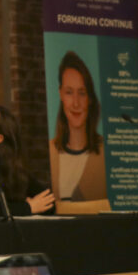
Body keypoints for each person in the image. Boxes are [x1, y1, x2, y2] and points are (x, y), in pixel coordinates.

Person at [49, 51, 107, 203]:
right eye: (69, 92)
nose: (75, 103)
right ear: (60, 94)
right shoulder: (49, 151)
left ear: (90, 98)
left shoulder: (107, 152)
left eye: (81, 93)